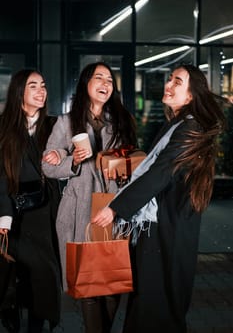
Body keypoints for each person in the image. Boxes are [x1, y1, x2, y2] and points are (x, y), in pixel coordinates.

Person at [92, 64, 226, 333]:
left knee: (159, 304)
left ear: (191, 95)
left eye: (178, 81)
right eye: (170, 79)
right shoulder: (178, 123)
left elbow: (161, 172)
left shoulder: (190, 127)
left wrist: (117, 208)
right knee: (152, 302)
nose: (169, 84)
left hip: (169, 228)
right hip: (163, 224)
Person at [42, 61, 137, 333]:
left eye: (110, 80)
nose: (106, 83)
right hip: (80, 211)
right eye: (99, 78)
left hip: (112, 208)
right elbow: (48, 166)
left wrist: (122, 169)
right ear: (86, 84)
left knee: (112, 283)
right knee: (89, 284)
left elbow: (133, 162)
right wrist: (72, 160)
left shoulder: (121, 121)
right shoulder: (65, 121)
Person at [0, 69, 61, 333]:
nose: (41, 91)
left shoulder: (55, 125)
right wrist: (3, 215)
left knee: (44, 275)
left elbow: (72, 160)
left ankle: (39, 324)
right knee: (13, 274)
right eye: (33, 86)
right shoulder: (4, 127)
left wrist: (62, 155)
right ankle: (10, 317)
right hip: (13, 211)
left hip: (45, 211)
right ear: (19, 93)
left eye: (43, 85)